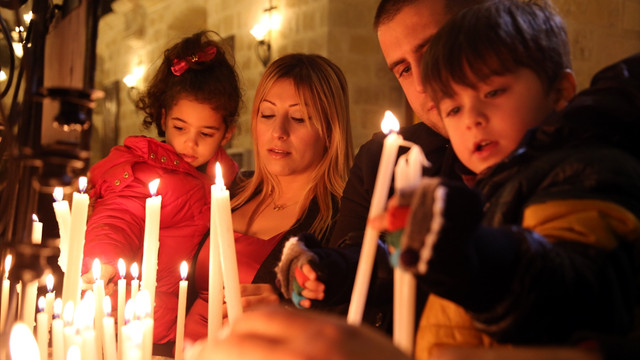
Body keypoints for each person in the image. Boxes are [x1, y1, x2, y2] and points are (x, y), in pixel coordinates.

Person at [378, 0, 640, 358]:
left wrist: (469, 252)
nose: (472, 118)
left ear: (561, 92)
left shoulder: (580, 171)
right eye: (453, 108)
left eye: (492, 92)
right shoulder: (494, 183)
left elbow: (568, 290)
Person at [274, 0, 481, 329]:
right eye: (404, 69)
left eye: (433, 52)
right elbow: (359, 259)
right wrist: (324, 271)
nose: (422, 84)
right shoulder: (381, 158)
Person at [80, 31, 241, 346]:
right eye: (180, 128)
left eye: (206, 133)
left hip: (183, 331)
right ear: (163, 117)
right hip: (129, 327)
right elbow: (118, 217)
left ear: (226, 133)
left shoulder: (227, 180)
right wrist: (106, 259)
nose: (189, 143)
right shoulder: (144, 170)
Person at [183, 53, 354, 342]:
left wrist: (289, 308)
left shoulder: (341, 222)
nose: (278, 132)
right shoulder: (230, 191)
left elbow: (351, 321)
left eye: (299, 118)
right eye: (268, 114)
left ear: (330, 130)